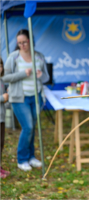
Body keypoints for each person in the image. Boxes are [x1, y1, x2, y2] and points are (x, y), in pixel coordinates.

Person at [3, 29, 49, 172]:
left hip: (36, 97)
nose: (22, 45)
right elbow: (4, 77)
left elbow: (47, 78)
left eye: (24, 42)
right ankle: (21, 159)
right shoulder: (13, 57)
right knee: (28, 127)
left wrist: (41, 75)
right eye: (19, 43)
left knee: (32, 128)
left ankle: (31, 157)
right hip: (19, 98)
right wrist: (23, 74)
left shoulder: (39, 57)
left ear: (30, 41)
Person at [0, 57, 10, 178]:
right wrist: (3, 98)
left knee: (1, 143)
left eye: (0, 65)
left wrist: (7, 99)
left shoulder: (1, 81)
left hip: (1, 117)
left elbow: (5, 101)